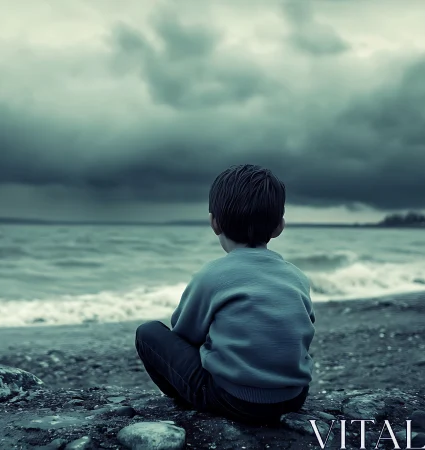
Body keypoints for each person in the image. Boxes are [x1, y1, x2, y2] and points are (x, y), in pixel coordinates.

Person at [135, 164, 316, 424]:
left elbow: (185, 334)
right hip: (294, 397)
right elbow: (301, 334)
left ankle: (185, 399)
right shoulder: (297, 276)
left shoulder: (212, 275)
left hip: (235, 400)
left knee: (148, 332)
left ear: (214, 223)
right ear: (279, 226)